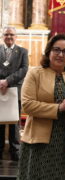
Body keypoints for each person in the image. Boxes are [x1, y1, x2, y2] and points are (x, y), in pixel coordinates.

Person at [17, 34, 65, 180]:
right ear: (48, 51)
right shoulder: (35, 73)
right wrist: (58, 108)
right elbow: (27, 104)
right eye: (56, 50)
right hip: (40, 142)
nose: (60, 54)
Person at [0, 27, 28, 161]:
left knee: (14, 122)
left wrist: (8, 81)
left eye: (11, 34)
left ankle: (15, 151)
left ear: (16, 36)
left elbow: (24, 69)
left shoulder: (22, 51)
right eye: (6, 34)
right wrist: (1, 82)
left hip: (15, 90)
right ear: (2, 36)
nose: (9, 37)